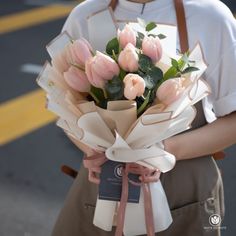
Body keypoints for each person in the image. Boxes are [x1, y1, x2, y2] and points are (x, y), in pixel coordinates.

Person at [52, 0, 236, 235]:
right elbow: (64, 105)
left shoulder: (211, 16)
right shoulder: (85, 15)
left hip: (184, 188)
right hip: (104, 187)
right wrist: (92, 149)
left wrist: (164, 150)